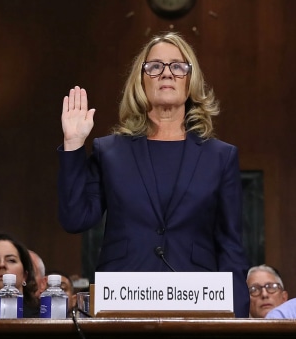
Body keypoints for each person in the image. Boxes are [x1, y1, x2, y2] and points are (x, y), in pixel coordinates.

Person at [57, 31, 251, 317]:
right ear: (141, 79)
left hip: (196, 304)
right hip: (122, 302)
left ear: (190, 80)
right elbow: (75, 219)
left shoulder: (220, 156)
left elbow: (230, 246)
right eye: (155, 66)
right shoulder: (109, 151)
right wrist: (73, 145)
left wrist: (237, 319)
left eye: (178, 66)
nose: (167, 74)